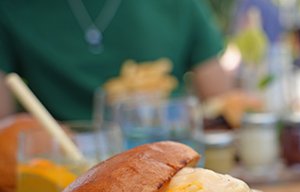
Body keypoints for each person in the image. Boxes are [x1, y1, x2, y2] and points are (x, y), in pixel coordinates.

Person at [0, 0, 233, 122]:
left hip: (167, 153)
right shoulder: (11, 8)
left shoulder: (180, 4)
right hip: (61, 165)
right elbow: (4, 124)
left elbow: (220, 99)